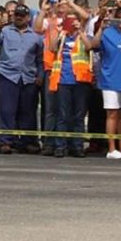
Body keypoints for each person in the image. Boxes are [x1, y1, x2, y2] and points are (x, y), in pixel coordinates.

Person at [83, 0, 121, 159]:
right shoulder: (108, 32)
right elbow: (92, 45)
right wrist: (101, 29)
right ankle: (111, 148)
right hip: (110, 80)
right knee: (112, 114)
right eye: (120, 17)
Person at [0, 4, 44, 155]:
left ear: (28, 18)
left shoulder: (36, 36)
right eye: (16, 15)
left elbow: (40, 59)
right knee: (6, 110)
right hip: (7, 74)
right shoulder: (5, 31)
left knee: (28, 111)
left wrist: (40, 75)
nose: (18, 17)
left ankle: (27, 141)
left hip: (28, 77)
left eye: (22, 15)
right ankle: (5, 141)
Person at [46, 13, 90, 157]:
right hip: (63, 80)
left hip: (80, 80)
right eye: (68, 20)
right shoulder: (62, 35)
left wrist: (80, 31)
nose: (71, 23)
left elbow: (89, 46)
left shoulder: (82, 35)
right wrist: (54, 28)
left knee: (78, 116)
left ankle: (77, 146)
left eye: (74, 20)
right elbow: (52, 48)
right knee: (62, 115)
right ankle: (60, 146)